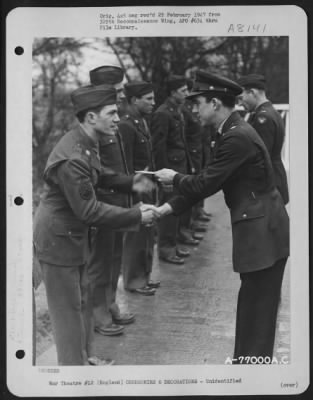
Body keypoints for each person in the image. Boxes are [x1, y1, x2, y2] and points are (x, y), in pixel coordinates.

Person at [155, 70, 289, 363]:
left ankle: (251, 374)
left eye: (198, 102)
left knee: (258, 307)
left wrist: (174, 177)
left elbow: (205, 183)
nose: (193, 109)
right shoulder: (231, 131)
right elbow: (207, 180)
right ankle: (248, 367)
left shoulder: (236, 137)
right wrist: (167, 209)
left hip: (262, 230)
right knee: (254, 304)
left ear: (215, 103)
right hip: (262, 226)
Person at [33, 85, 157, 365]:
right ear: (91, 117)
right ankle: (72, 372)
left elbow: (100, 176)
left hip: (72, 233)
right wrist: (136, 215)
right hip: (58, 237)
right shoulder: (73, 156)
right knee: (68, 309)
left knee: (85, 301)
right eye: (111, 112)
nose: (117, 117)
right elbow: (88, 209)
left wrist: (133, 182)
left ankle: (84, 358)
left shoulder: (87, 142)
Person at [87, 66, 154, 335]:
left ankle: (110, 304)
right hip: (103, 203)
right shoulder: (94, 121)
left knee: (114, 258)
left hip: (119, 200)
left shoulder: (113, 118)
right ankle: (97, 312)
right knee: (100, 261)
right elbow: (96, 171)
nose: (121, 95)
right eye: (117, 90)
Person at [118, 80, 160, 295]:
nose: (154, 102)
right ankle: (134, 280)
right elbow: (125, 163)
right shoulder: (126, 125)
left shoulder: (141, 122)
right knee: (136, 236)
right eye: (149, 99)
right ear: (134, 100)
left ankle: (143, 275)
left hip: (147, 185)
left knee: (147, 233)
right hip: (136, 188)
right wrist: (133, 189)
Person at [151, 75, 195, 265]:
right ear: (173, 92)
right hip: (169, 169)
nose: (187, 94)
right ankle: (166, 249)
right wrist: (162, 175)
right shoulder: (163, 113)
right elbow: (158, 146)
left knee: (176, 207)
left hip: (179, 167)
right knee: (168, 210)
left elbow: (182, 141)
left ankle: (173, 245)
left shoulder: (176, 111)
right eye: (183, 90)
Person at [237, 74, 289, 204]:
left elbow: (260, 157)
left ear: (252, 92)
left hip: (267, 183)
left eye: (241, 97)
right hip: (272, 178)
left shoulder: (263, 118)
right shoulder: (269, 112)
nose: (240, 103)